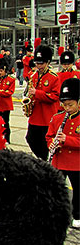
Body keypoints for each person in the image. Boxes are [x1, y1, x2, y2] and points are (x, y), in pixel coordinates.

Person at [46, 78, 79, 228]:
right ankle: (56, 214)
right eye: (64, 105)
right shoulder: (57, 118)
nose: (67, 108)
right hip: (59, 160)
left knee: (78, 191)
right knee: (56, 189)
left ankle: (77, 215)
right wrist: (52, 143)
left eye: (71, 105)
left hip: (76, 162)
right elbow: (49, 135)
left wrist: (67, 140)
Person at [25, 45, 60, 160]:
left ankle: (46, 162)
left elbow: (55, 96)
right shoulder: (34, 76)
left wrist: (37, 93)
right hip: (35, 116)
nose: (38, 66)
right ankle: (43, 160)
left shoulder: (54, 77)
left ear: (48, 62)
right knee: (30, 139)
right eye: (37, 63)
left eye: (41, 63)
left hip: (46, 117)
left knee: (45, 144)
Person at [0, 60, 15, 144]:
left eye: (1, 71)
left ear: (5, 70)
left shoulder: (11, 79)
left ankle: (7, 138)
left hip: (6, 105)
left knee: (6, 122)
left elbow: (10, 92)